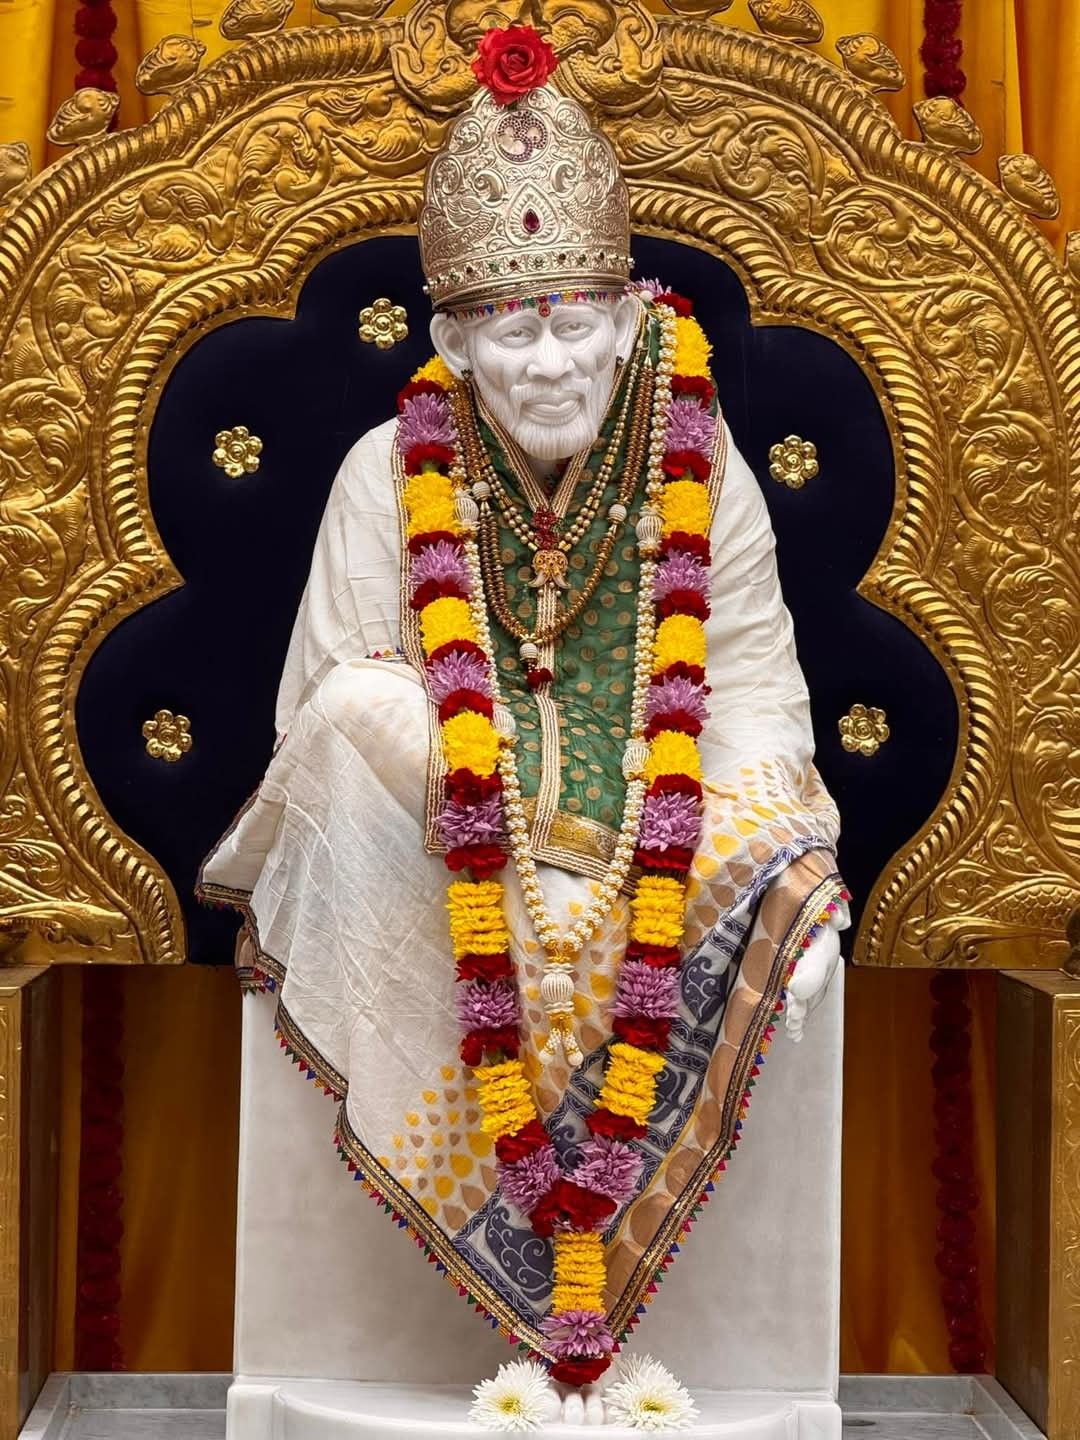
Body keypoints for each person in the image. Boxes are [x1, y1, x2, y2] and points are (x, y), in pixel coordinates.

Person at [200, 22, 847, 1395]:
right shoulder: (389, 471)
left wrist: (783, 864)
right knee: (366, 716)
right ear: (454, 339)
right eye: (512, 325)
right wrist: (487, 807)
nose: (547, 358)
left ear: (627, 319)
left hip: (652, 837)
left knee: (769, 866)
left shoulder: (700, 464)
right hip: (440, 837)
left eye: (570, 322)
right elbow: (327, 704)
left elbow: (752, 695)